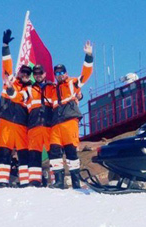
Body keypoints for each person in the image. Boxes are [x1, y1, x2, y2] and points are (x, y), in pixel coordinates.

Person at [49, 41, 93, 189]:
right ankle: (59, 181)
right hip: (56, 123)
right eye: (57, 73)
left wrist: (88, 56)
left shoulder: (72, 83)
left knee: (70, 151)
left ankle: (75, 182)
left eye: (62, 72)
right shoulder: (52, 89)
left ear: (66, 73)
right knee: (54, 151)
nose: (60, 75)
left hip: (69, 121)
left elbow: (85, 75)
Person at [0, 29, 31, 187]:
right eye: (23, 71)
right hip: (6, 122)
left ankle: (25, 182)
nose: (25, 74)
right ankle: (2, 182)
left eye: (28, 73)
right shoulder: (9, 79)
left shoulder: (30, 89)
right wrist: (5, 46)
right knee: (4, 153)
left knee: (23, 155)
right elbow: (7, 64)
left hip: (22, 125)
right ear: (19, 72)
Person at [24, 64, 55, 187]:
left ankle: (56, 180)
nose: (38, 75)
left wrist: (79, 96)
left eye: (40, 73)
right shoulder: (29, 89)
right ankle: (34, 181)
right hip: (34, 127)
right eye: (35, 74)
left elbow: (63, 97)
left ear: (45, 74)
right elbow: (17, 97)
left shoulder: (52, 88)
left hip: (49, 126)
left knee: (53, 154)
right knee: (33, 155)